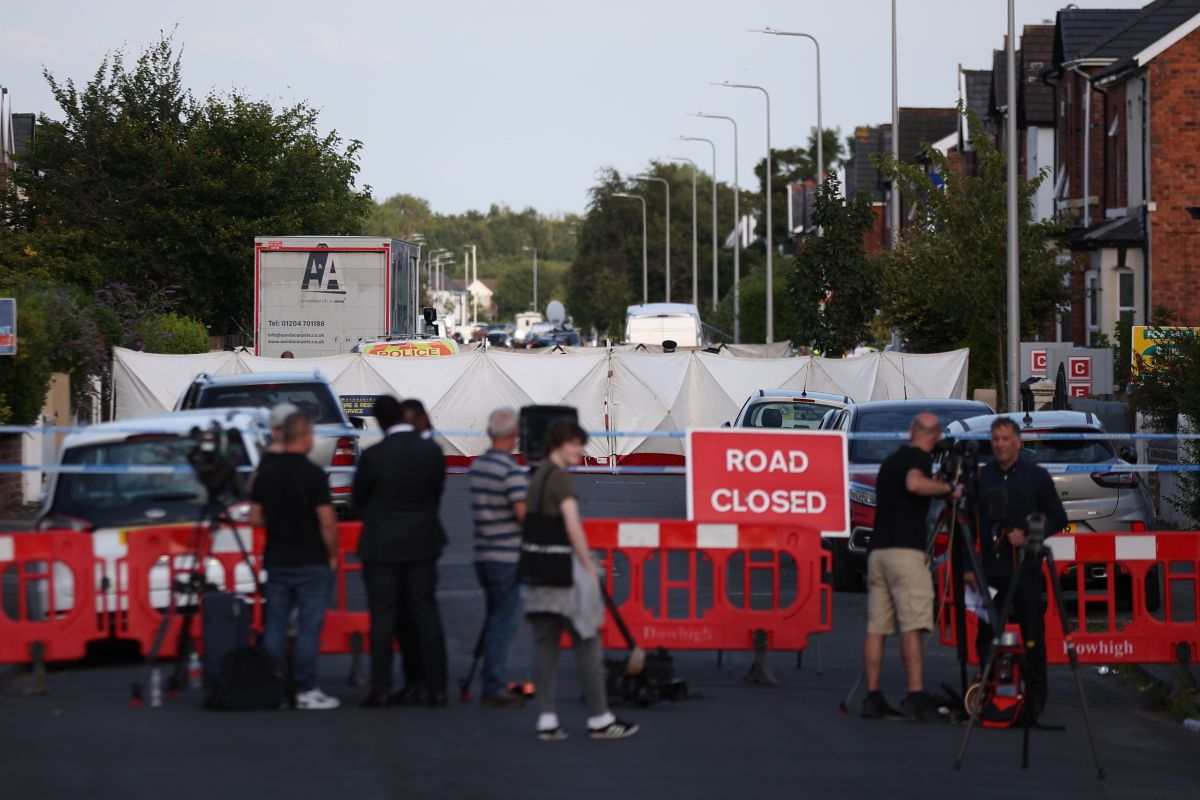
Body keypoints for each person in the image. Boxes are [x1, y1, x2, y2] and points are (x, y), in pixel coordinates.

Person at [521, 418, 637, 741]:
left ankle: (546, 718)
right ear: (558, 444)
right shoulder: (560, 481)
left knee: (545, 646)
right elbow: (572, 525)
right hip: (564, 572)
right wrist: (589, 566)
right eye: (575, 443)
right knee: (587, 643)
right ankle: (599, 717)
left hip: (538, 568)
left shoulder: (535, 478)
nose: (580, 449)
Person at [861, 412, 961, 722]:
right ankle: (915, 695)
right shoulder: (918, 459)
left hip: (878, 552)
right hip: (906, 553)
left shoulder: (890, 461)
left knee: (877, 628)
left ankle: (873, 696)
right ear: (937, 437)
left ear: (910, 431)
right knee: (912, 626)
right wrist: (948, 490)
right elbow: (915, 484)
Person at [354, 395, 449, 708]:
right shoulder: (431, 452)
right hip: (422, 539)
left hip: (382, 543)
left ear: (380, 423)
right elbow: (435, 496)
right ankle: (437, 687)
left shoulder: (373, 456)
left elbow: (358, 502)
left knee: (383, 617)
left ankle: (381, 687)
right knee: (426, 615)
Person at [974, 416, 1067, 723]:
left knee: (1032, 635)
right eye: (996, 439)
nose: (1000, 444)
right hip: (991, 569)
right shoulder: (982, 477)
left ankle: (1036, 694)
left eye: (1006, 439)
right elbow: (967, 520)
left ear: (1018, 442)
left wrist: (1029, 535)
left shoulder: (1036, 477)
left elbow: (1057, 517)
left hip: (1025, 568)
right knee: (987, 633)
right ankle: (989, 687)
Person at [250, 411, 340, 710]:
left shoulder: (267, 473)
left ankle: (272, 686)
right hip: (311, 558)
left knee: (274, 626)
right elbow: (327, 521)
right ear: (305, 438)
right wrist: (331, 555)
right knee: (307, 629)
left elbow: (255, 516)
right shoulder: (313, 474)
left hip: (277, 557)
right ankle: (305, 688)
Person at [467, 408, 528, 708]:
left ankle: (492, 680)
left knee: (494, 617)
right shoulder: (509, 470)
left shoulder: (479, 466)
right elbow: (522, 515)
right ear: (513, 435)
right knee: (504, 622)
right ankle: (494, 683)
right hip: (507, 555)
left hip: (483, 552)